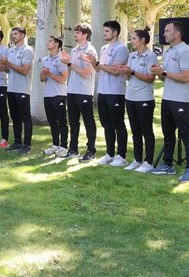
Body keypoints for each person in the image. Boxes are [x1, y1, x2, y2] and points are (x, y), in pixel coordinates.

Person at [150, 21, 189, 182]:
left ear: (177, 33)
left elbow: (185, 77)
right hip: (167, 99)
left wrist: (164, 72)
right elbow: (163, 78)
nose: (164, 34)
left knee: (186, 135)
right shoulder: (168, 51)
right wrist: (158, 71)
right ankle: (167, 165)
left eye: (167, 31)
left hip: (182, 100)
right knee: (168, 133)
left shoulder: (185, 50)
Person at [118, 27, 156, 173]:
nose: (131, 41)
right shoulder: (132, 55)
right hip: (130, 97)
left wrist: (132, 72)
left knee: (146, 130)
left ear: (143, 40)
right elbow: (128, 76)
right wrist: (124, 72)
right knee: (135, 131)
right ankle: (137, 159)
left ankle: (149, 162)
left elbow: (150, 79)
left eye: (134, 38)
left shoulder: (151, 55)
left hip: (144, 98)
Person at [93, 20, 130, 166]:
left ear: (115, 32)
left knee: (118, 124)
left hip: (115, 92)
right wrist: (93, 63)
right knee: (106, 124)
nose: (104, 34)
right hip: (102, 91)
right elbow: (98, 69)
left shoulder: (122, 48)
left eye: (107, 31)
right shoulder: (103, 48)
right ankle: (109, 154)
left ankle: (122, 156)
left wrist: (99, 65)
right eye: (104, 31)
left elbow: (116, 70)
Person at [59, 23, 98, 162]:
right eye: (75, 32)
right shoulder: (75, 50)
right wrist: (66, 62)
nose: (75, 34)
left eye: (78, 32)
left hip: (84, 91)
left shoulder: (90, 51)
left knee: (88, 121)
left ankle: (91, 150)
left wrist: (70, 64)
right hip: (72, 90)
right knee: (73, 121)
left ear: (85, 35)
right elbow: (71, 70)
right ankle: (73, 148)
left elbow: (86, 73)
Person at [1, 27, 34, 153]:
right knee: (15, 117)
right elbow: (8, 70)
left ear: (23, 35)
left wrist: (8, 63)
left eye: (16, 34)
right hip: (11, 88)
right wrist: (4, 64)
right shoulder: (11, 50)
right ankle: (17, 141)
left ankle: (27, 144)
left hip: (22, 89)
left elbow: (24, 70)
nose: (13, 36)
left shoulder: (27, 50)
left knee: (26, 117)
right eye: (12, 34)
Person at [40, 36, 69, 156]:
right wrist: (44, 74)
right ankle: (55, 144)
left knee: (62, 121)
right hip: (48, 94)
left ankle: (64, 146)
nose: (48, 43)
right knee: (52, 121)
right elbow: (42, 79)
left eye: (50, 41)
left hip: (59, 94)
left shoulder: (62, 59)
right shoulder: (45, 59)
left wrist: (50, 74)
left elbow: (63, 78)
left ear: (57, 44)